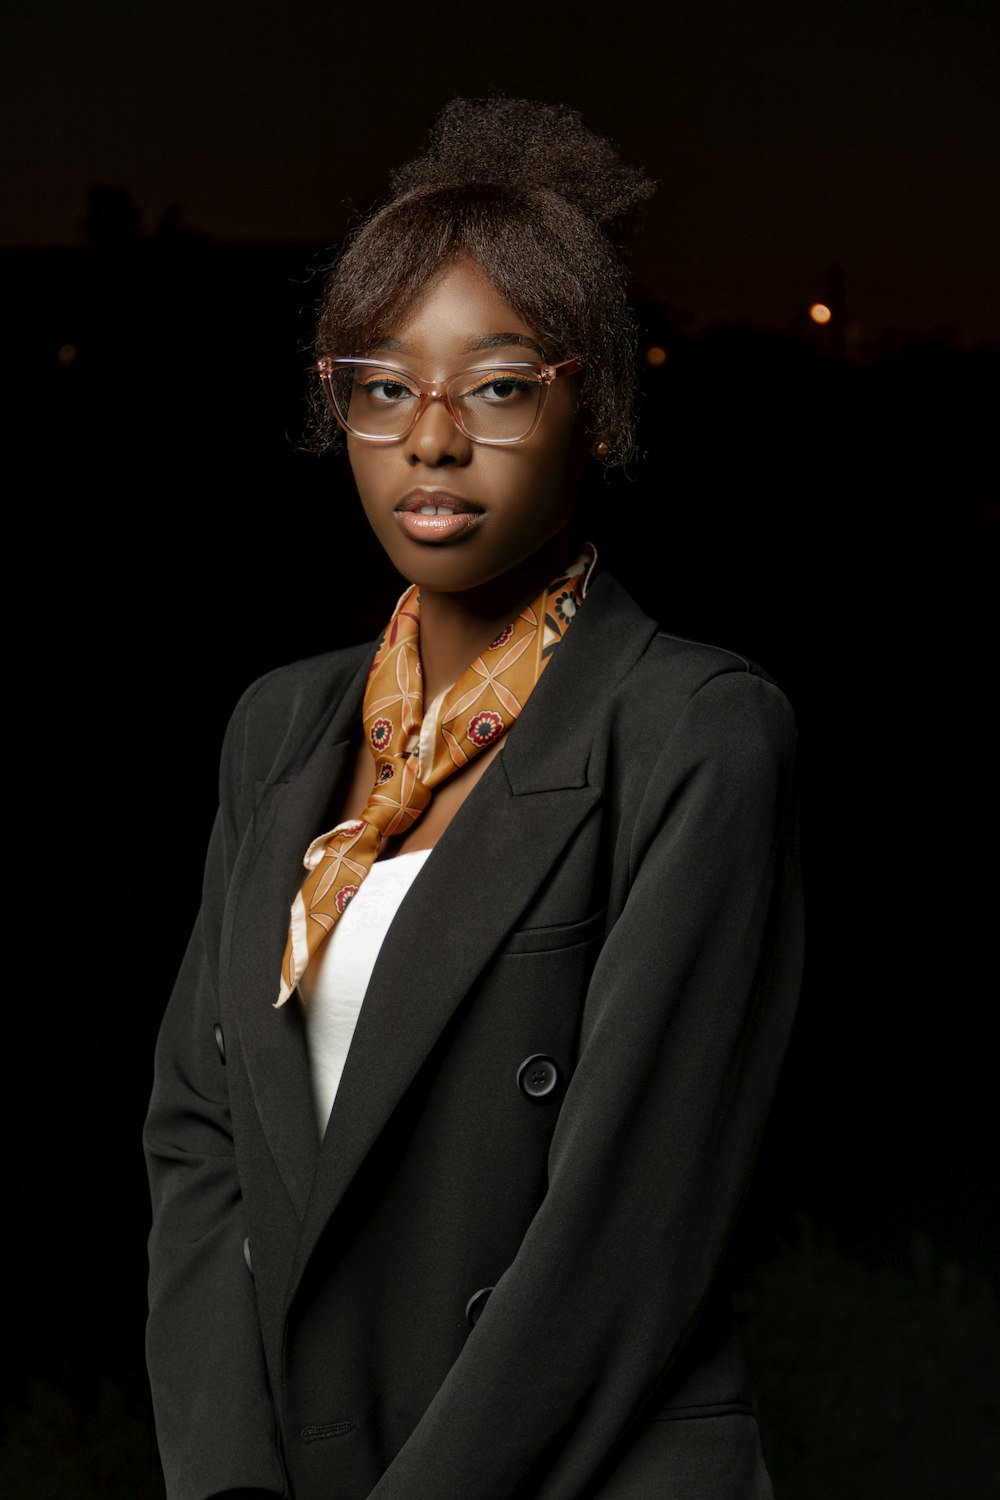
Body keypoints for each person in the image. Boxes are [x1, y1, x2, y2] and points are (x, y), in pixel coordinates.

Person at [144, 97, 803, 1500]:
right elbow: (200, 1138)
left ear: (598, 406)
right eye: (382, 385)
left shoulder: (695, 732)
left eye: (499, 385)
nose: (431, 439)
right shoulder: (282, 729)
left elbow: (623, 1232)